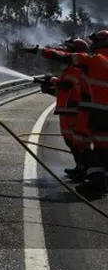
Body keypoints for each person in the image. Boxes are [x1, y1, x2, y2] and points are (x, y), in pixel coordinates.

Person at [26, 30, 108, 196]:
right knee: (103, 147)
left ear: (100, 43)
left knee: (81, 144)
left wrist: (39, 50)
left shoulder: (94, 59)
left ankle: (96, 181)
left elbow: (63, 57)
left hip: (92, 111)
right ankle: (99, 182)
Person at [37, 38, 92, 182]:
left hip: (75, 112)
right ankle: (80, 167)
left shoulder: (77, 69)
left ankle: (86, 170)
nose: (65, 52)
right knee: (70, 142)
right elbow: (63, 92)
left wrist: (52, 80)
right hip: (66, 112)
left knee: (79, 144)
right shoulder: (69, 69)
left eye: (68, 49)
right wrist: (49, 89)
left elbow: (65, 85)